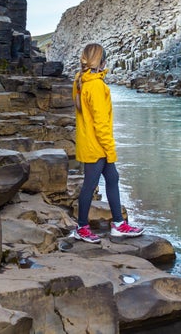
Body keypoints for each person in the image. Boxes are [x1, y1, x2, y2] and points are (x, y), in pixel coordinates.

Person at [72, 43, 144, 243]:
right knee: (90, 185)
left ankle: (119, 225)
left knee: (112, 178)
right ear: (101, 61)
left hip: (89, 143)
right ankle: (82, 227)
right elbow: (101, 124)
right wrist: (110, 150)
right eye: (105, 58)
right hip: (97, 147)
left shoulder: (81, 81)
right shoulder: (96, 86)